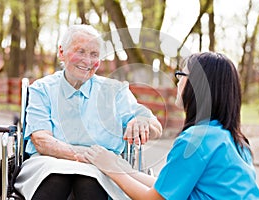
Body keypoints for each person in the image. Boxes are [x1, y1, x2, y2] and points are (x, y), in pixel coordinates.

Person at [85, 52, 259, 199]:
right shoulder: (230, 138)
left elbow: (155, 199)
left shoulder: (196, 140)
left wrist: (111, 168)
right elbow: (165, 186)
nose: (177, 81)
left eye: (181, 75)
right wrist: (122, 167)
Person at [14, 24, 162, 200]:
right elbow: (41, 140)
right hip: (48, 161)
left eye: (94, 55)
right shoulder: (42, 89)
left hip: (103, 167)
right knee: (56, 179)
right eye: (81, 52)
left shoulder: (114, 91)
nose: (88, 61)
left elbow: (156, 127)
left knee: (89, 181)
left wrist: (142, 122)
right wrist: (88, 155)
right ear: (61, 52)